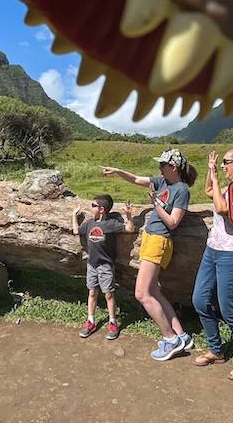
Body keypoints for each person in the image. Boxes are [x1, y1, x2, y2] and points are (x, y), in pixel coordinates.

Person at [101, 148, 198, 361]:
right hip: (150, 238)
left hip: (159, 241)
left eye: (162, 165)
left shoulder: (181, 190)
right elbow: (136, 179)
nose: (159, 168)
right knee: (154, 291)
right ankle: (182, 336)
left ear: (173, 167)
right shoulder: (163, 182)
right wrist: (117, 171)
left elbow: (173, 222)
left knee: (142, 294)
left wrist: (156, 205)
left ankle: (170, 339)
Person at [191, 146, 233, 380]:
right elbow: (209, 190)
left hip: (231, 254)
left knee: (229, 311)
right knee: (199, 300)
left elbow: (221, 209)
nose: (223, 166)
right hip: (212, 250)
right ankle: (216, 350)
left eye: (226, 162)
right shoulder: (229, 188)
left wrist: (219, 179)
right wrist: (211, 171)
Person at [71, 195, 134, 340]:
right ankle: (90, 321)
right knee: (92, 293)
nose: (90, 207)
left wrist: (129, 215)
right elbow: (76, 231)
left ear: (101, 209)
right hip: (92, 265)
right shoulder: (88, 224)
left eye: (93, 205)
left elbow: (130, 229)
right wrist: (74, 215)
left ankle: (112, 322)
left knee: (109, 294)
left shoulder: (110, 224)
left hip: (105, 266)